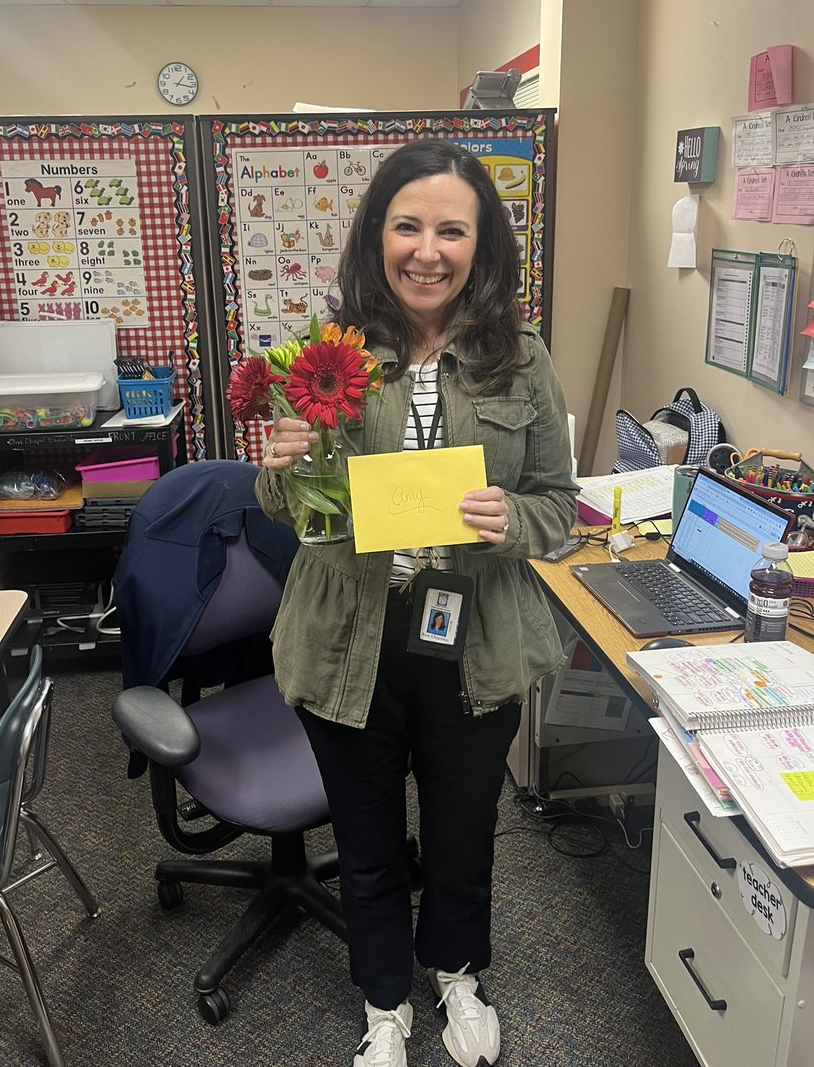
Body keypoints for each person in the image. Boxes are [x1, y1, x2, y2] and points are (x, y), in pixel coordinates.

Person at [255, 140, 577, 1067]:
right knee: (364, 842)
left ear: (482, 245)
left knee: (463, 831)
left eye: (451, 230)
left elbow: (561, 506)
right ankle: (385, 1006)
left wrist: (509, 516)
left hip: (474, 638)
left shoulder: (521, 361)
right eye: (408, 226)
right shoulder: (328, 358)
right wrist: (276, 471)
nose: (427, 250)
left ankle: (457, 977)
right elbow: (289, 518)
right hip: (348, 637)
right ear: (377, 235)